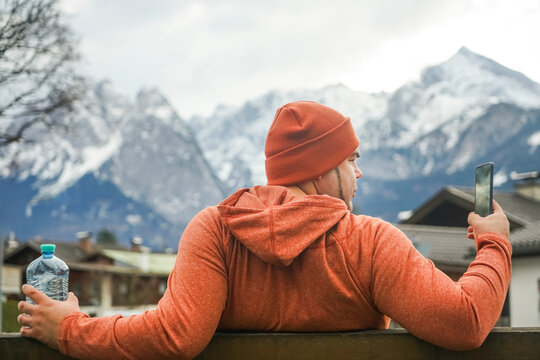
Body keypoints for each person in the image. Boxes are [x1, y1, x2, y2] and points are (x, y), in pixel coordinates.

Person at [18, 101, 512, 359]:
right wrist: (495, 242)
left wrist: (72, 331)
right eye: (352, 160)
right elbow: (465, 322)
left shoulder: (213, 229)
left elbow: (176, 336)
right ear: (321, 168)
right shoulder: (370, 241)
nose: (359, 174)